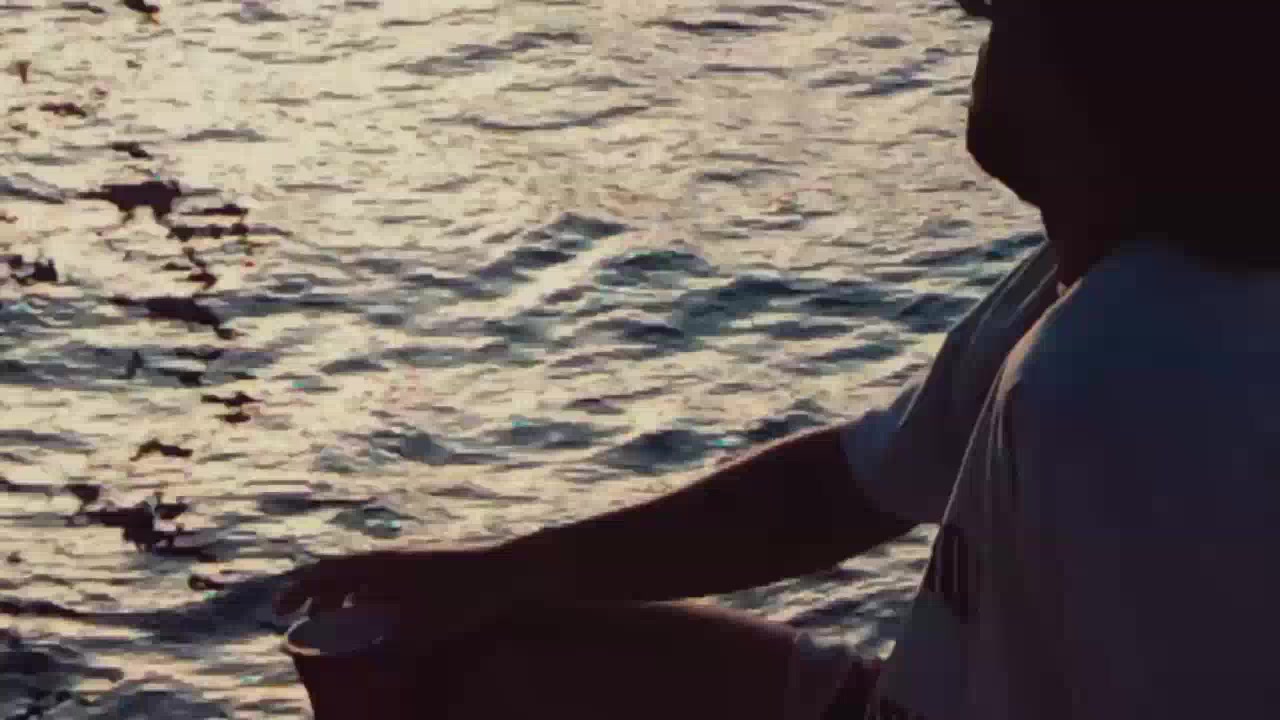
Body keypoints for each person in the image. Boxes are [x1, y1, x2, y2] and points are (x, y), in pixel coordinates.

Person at [276, 2, 1280, 718]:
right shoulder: (1073, 291)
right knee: (481, 657)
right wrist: (496, 577)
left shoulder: (1129, 374)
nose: (972, 21)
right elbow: (833, 494)